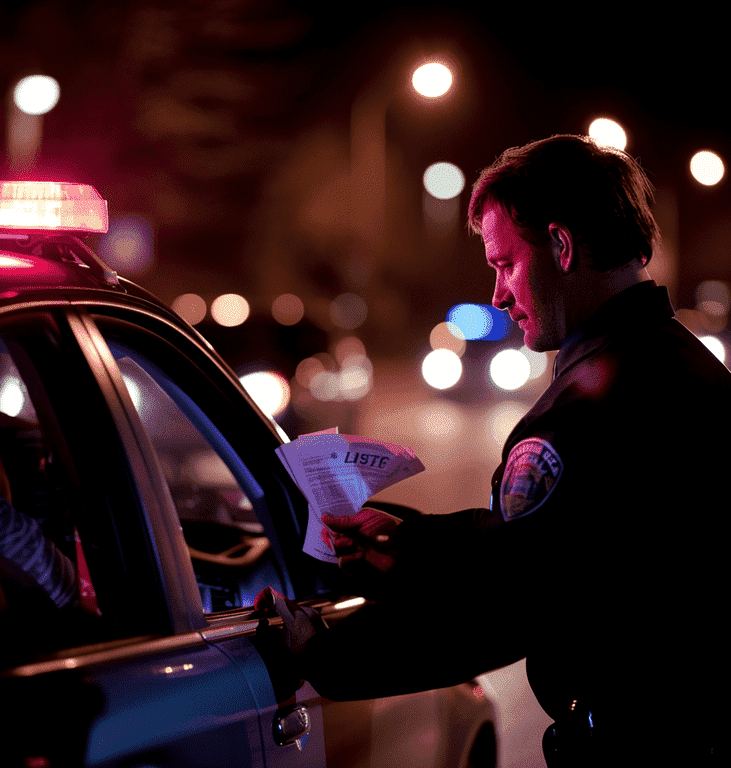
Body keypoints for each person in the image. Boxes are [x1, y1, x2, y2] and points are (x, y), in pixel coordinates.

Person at [256, 135, 726, 765]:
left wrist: (321, 657)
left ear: (560, 247)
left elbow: (507, 602)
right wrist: (411, 542)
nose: (500, 296)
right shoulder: (682, 367)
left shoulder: (590, 405)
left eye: (506, 264)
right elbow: (568, 547)